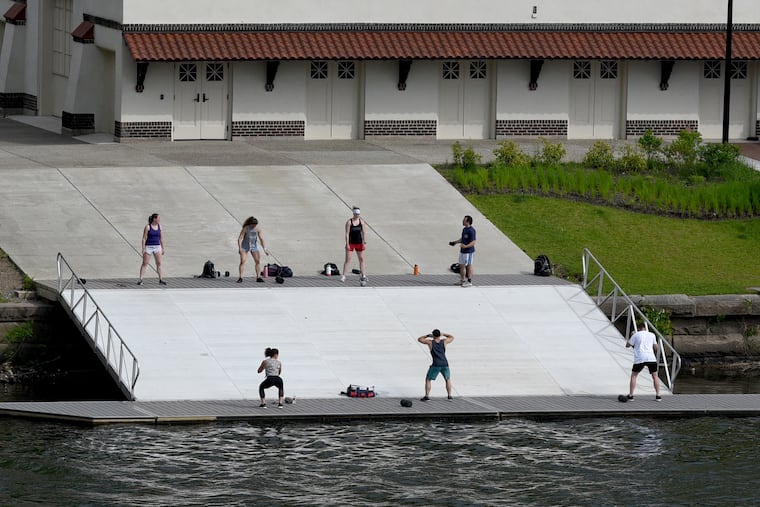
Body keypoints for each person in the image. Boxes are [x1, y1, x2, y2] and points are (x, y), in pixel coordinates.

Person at [626, 322, 662, 401]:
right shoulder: (652, 335)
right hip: (651, 358)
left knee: (634, 375)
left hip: (640, 358)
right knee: (655, 376)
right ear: (645, 328)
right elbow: (656, 348)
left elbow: (627, 345)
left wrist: (632, 335)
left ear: (638, 328)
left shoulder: (636, 335)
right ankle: (658, 395)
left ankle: (631, 395)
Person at [418, 329, 455, 401]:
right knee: (447, 379)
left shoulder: (430, 342)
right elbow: (452, 337)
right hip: (445, 363)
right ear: (439, 335)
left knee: (428, 379)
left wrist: (428, 335)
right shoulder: (444, 341)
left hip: (436, 364)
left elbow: (419, 339)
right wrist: (443, 334)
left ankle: (427, 396)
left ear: (433, 335)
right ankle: (449, 396)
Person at [237, 216, 269, 283]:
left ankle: (258, 277)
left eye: (255, 225)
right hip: (245, 246)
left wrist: (265, 249)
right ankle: (241, 277)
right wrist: (240, 248)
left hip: (253, 246)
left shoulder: (258, 229)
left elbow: (261, 239)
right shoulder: (246, 228)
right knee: (243, 261)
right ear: (250, 224)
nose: (254, 226)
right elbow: (240, 238)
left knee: (257, 261)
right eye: (253, 225)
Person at [138, 213, 166, 285]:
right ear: (154, 219)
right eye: (158, 218)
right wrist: (143, 248)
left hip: (157, 247)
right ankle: (140, 279)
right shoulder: (148, 227)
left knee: (159, 263)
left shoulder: (160, 227)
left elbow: (161, 238)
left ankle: (161, 279)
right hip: (149, 247)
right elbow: (144, 238)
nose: (159, 219)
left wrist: (163, 248)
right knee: (145, 263)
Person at [341, 206, 367, 283]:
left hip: (359, 242)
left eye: (358, 214)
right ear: (353, 213)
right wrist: (347, 244)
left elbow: (364, 232)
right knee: (347, 259)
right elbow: (347, 233)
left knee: (361, 259)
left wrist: (364, 242)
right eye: (356, 214)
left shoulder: (361, 222)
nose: (357, 215)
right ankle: (344, 276)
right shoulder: (349, 222)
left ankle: (363, 275)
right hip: (351, 243)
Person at [449, 215, 476, 287]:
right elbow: (462, 239)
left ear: (468, 222)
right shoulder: (464, 229)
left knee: (469, 265)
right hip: (463, 251)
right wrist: (455, 242)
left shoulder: (471, 230)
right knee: (461, 266)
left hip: (468, 252)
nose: (462, 221)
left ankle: (469, 281)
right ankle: (462, 280)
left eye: (464, 220)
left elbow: (473, 242)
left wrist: (466, 246)